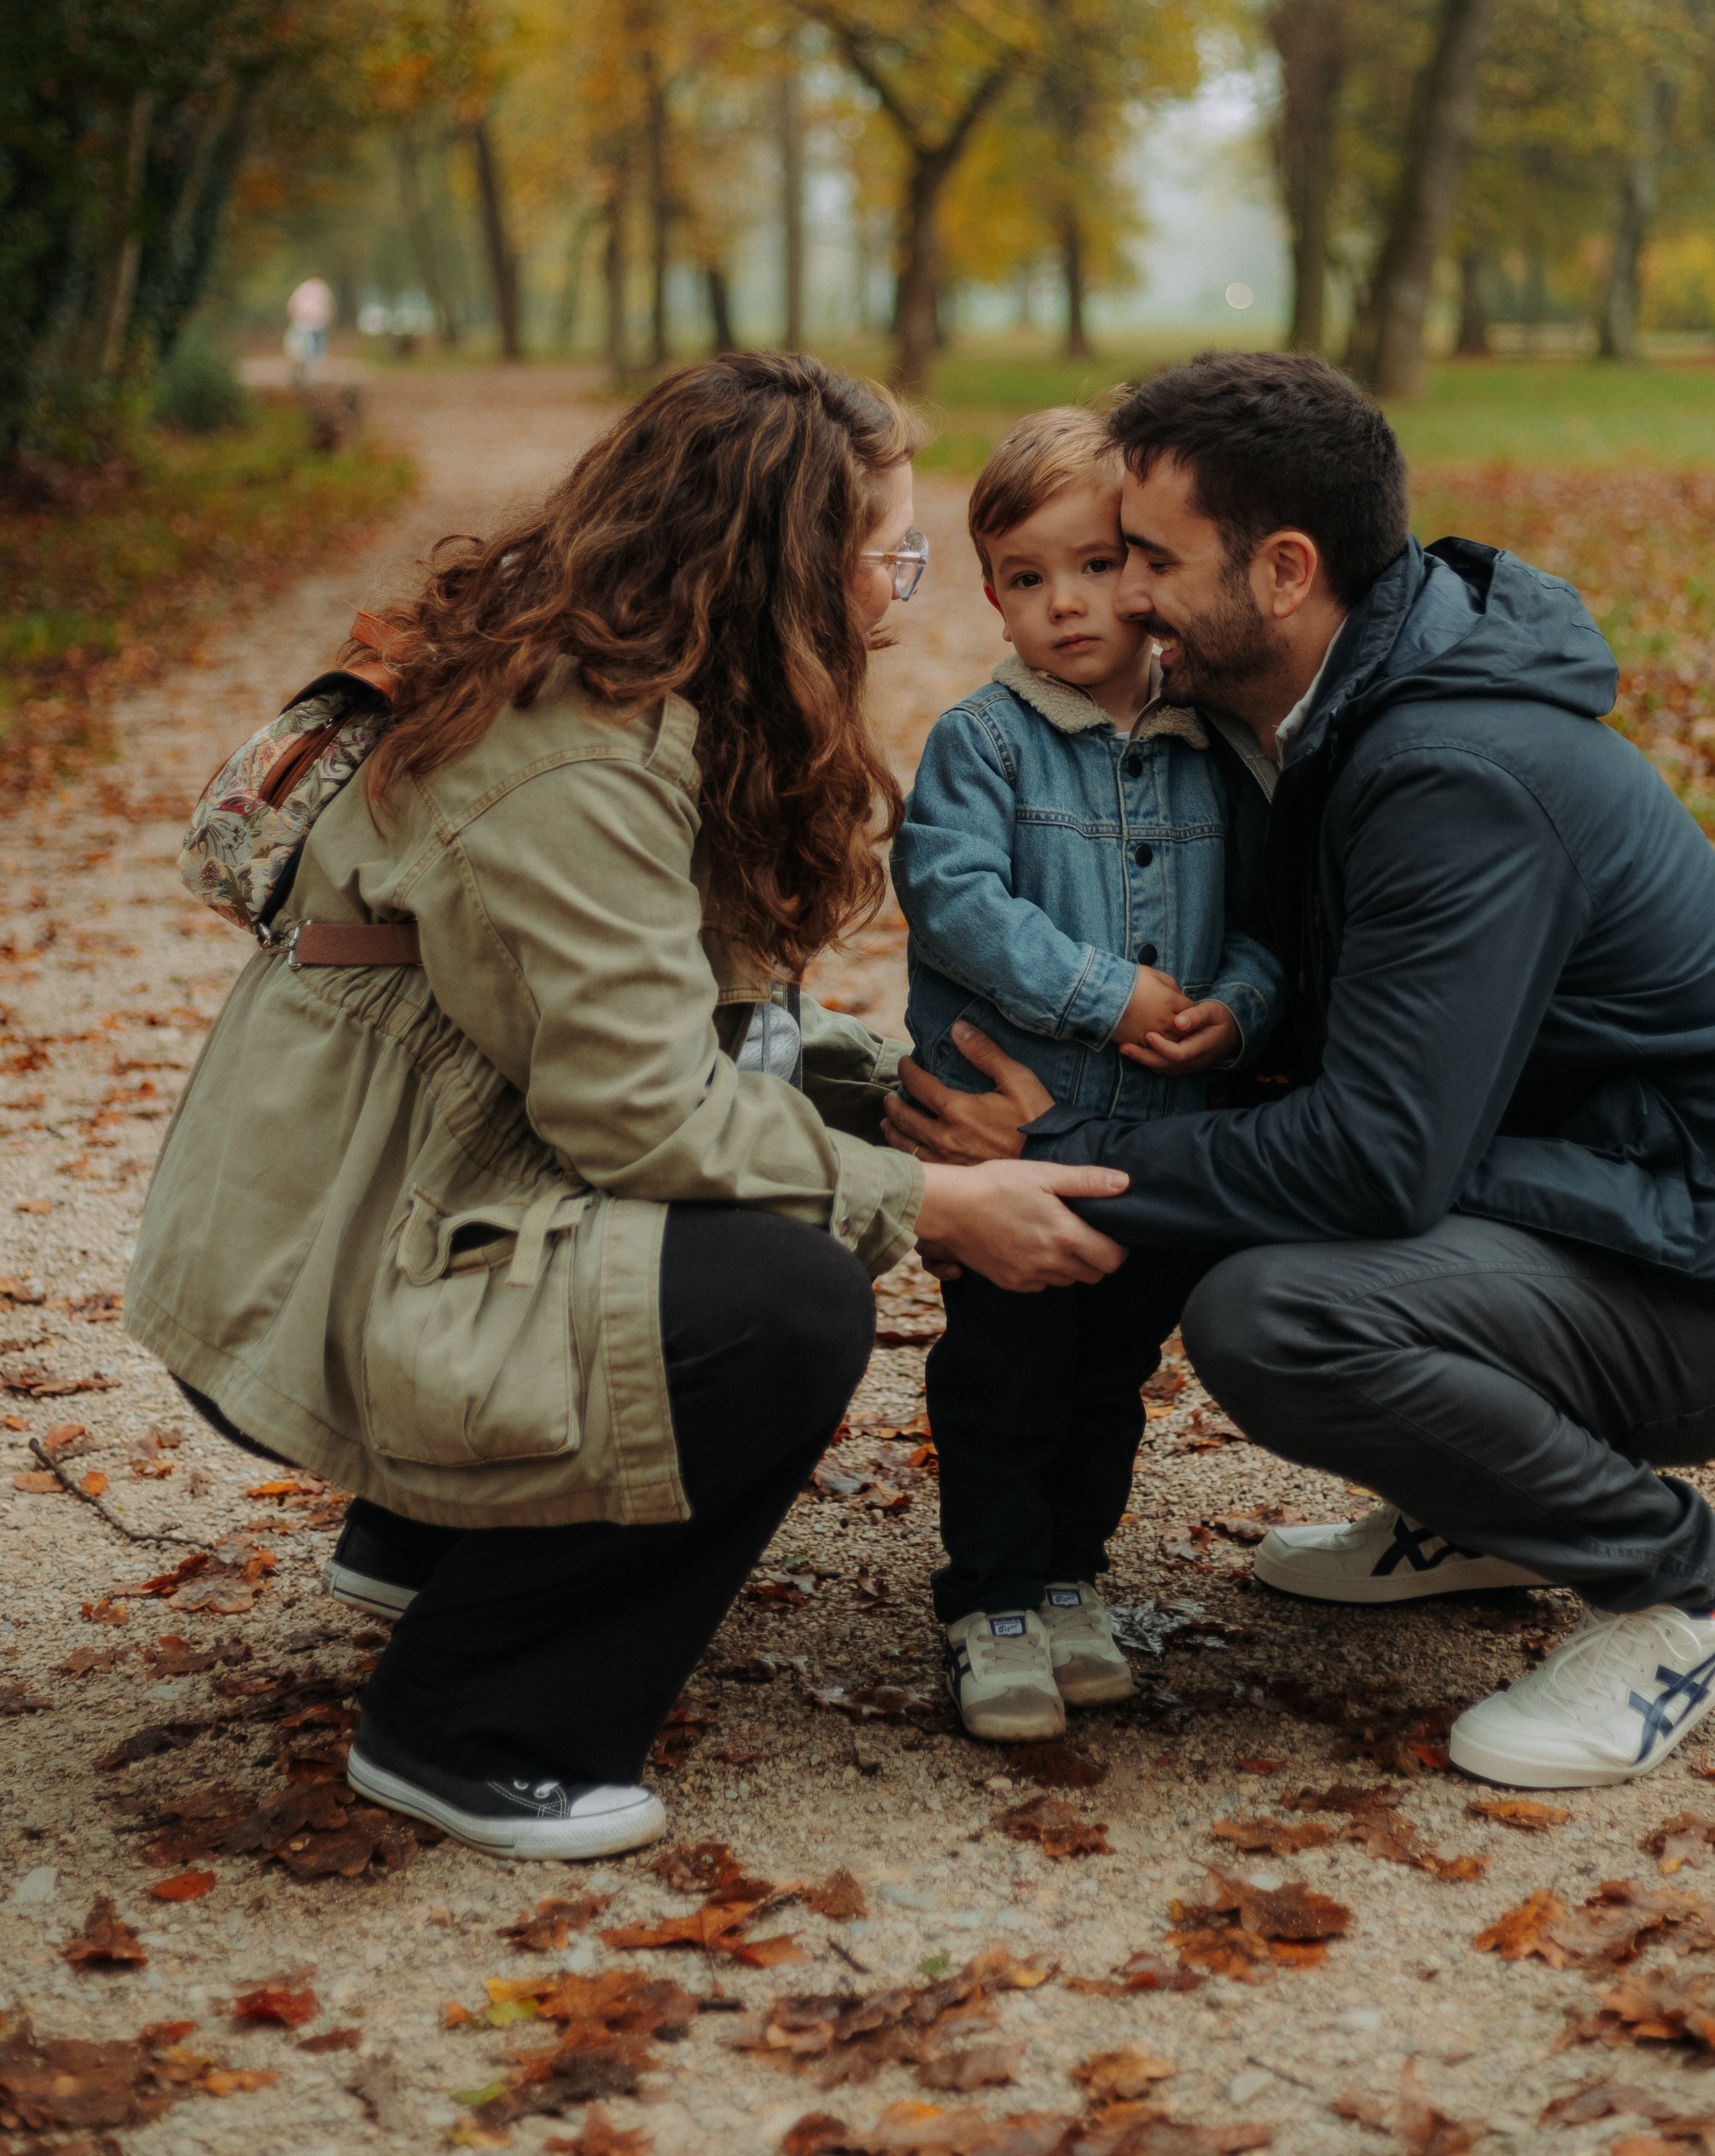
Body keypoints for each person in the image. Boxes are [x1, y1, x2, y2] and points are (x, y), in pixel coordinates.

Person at [126, 354, 1132, 1860]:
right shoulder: (574, 760)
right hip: (323, 1270)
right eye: (885, 557)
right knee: (779, 1308)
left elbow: (680, 1020)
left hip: (389, 1193)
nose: (896, 598)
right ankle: (474, 1727)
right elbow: (648, 1115)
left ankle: (437, 1541)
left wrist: (902, 1101)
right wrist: (927, 1203)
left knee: (780, 1215)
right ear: (781, 561)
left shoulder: (634, 682)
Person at [883, 352, 1715, 1793]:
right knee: (1271, 1251)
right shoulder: (1333, 712)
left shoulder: (1446, 768)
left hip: (1707, 1271)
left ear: (1282, 571)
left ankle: (1685, 1587)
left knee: (1279, 1316)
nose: (1124, 597)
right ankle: (1475, 1518)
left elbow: (1373, 1161)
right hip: (1578, 1197)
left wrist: (1062, 1157)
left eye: (1148, 559)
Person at [892, 409, 1283, 1742]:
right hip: (1018, 1141)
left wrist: (1233, 1011)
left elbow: (1267, 926)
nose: (1065, 604)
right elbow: (950, 898)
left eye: (1097, 564)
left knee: (1109, 1375)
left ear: (1149, 568)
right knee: (1003, 1370)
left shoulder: (1217, 749)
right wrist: (1103, 992)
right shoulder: (986, 743)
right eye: (1023, 577)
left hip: (1161, 1146)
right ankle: (989, 1596)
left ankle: (1070, 1576)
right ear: (992, 590)